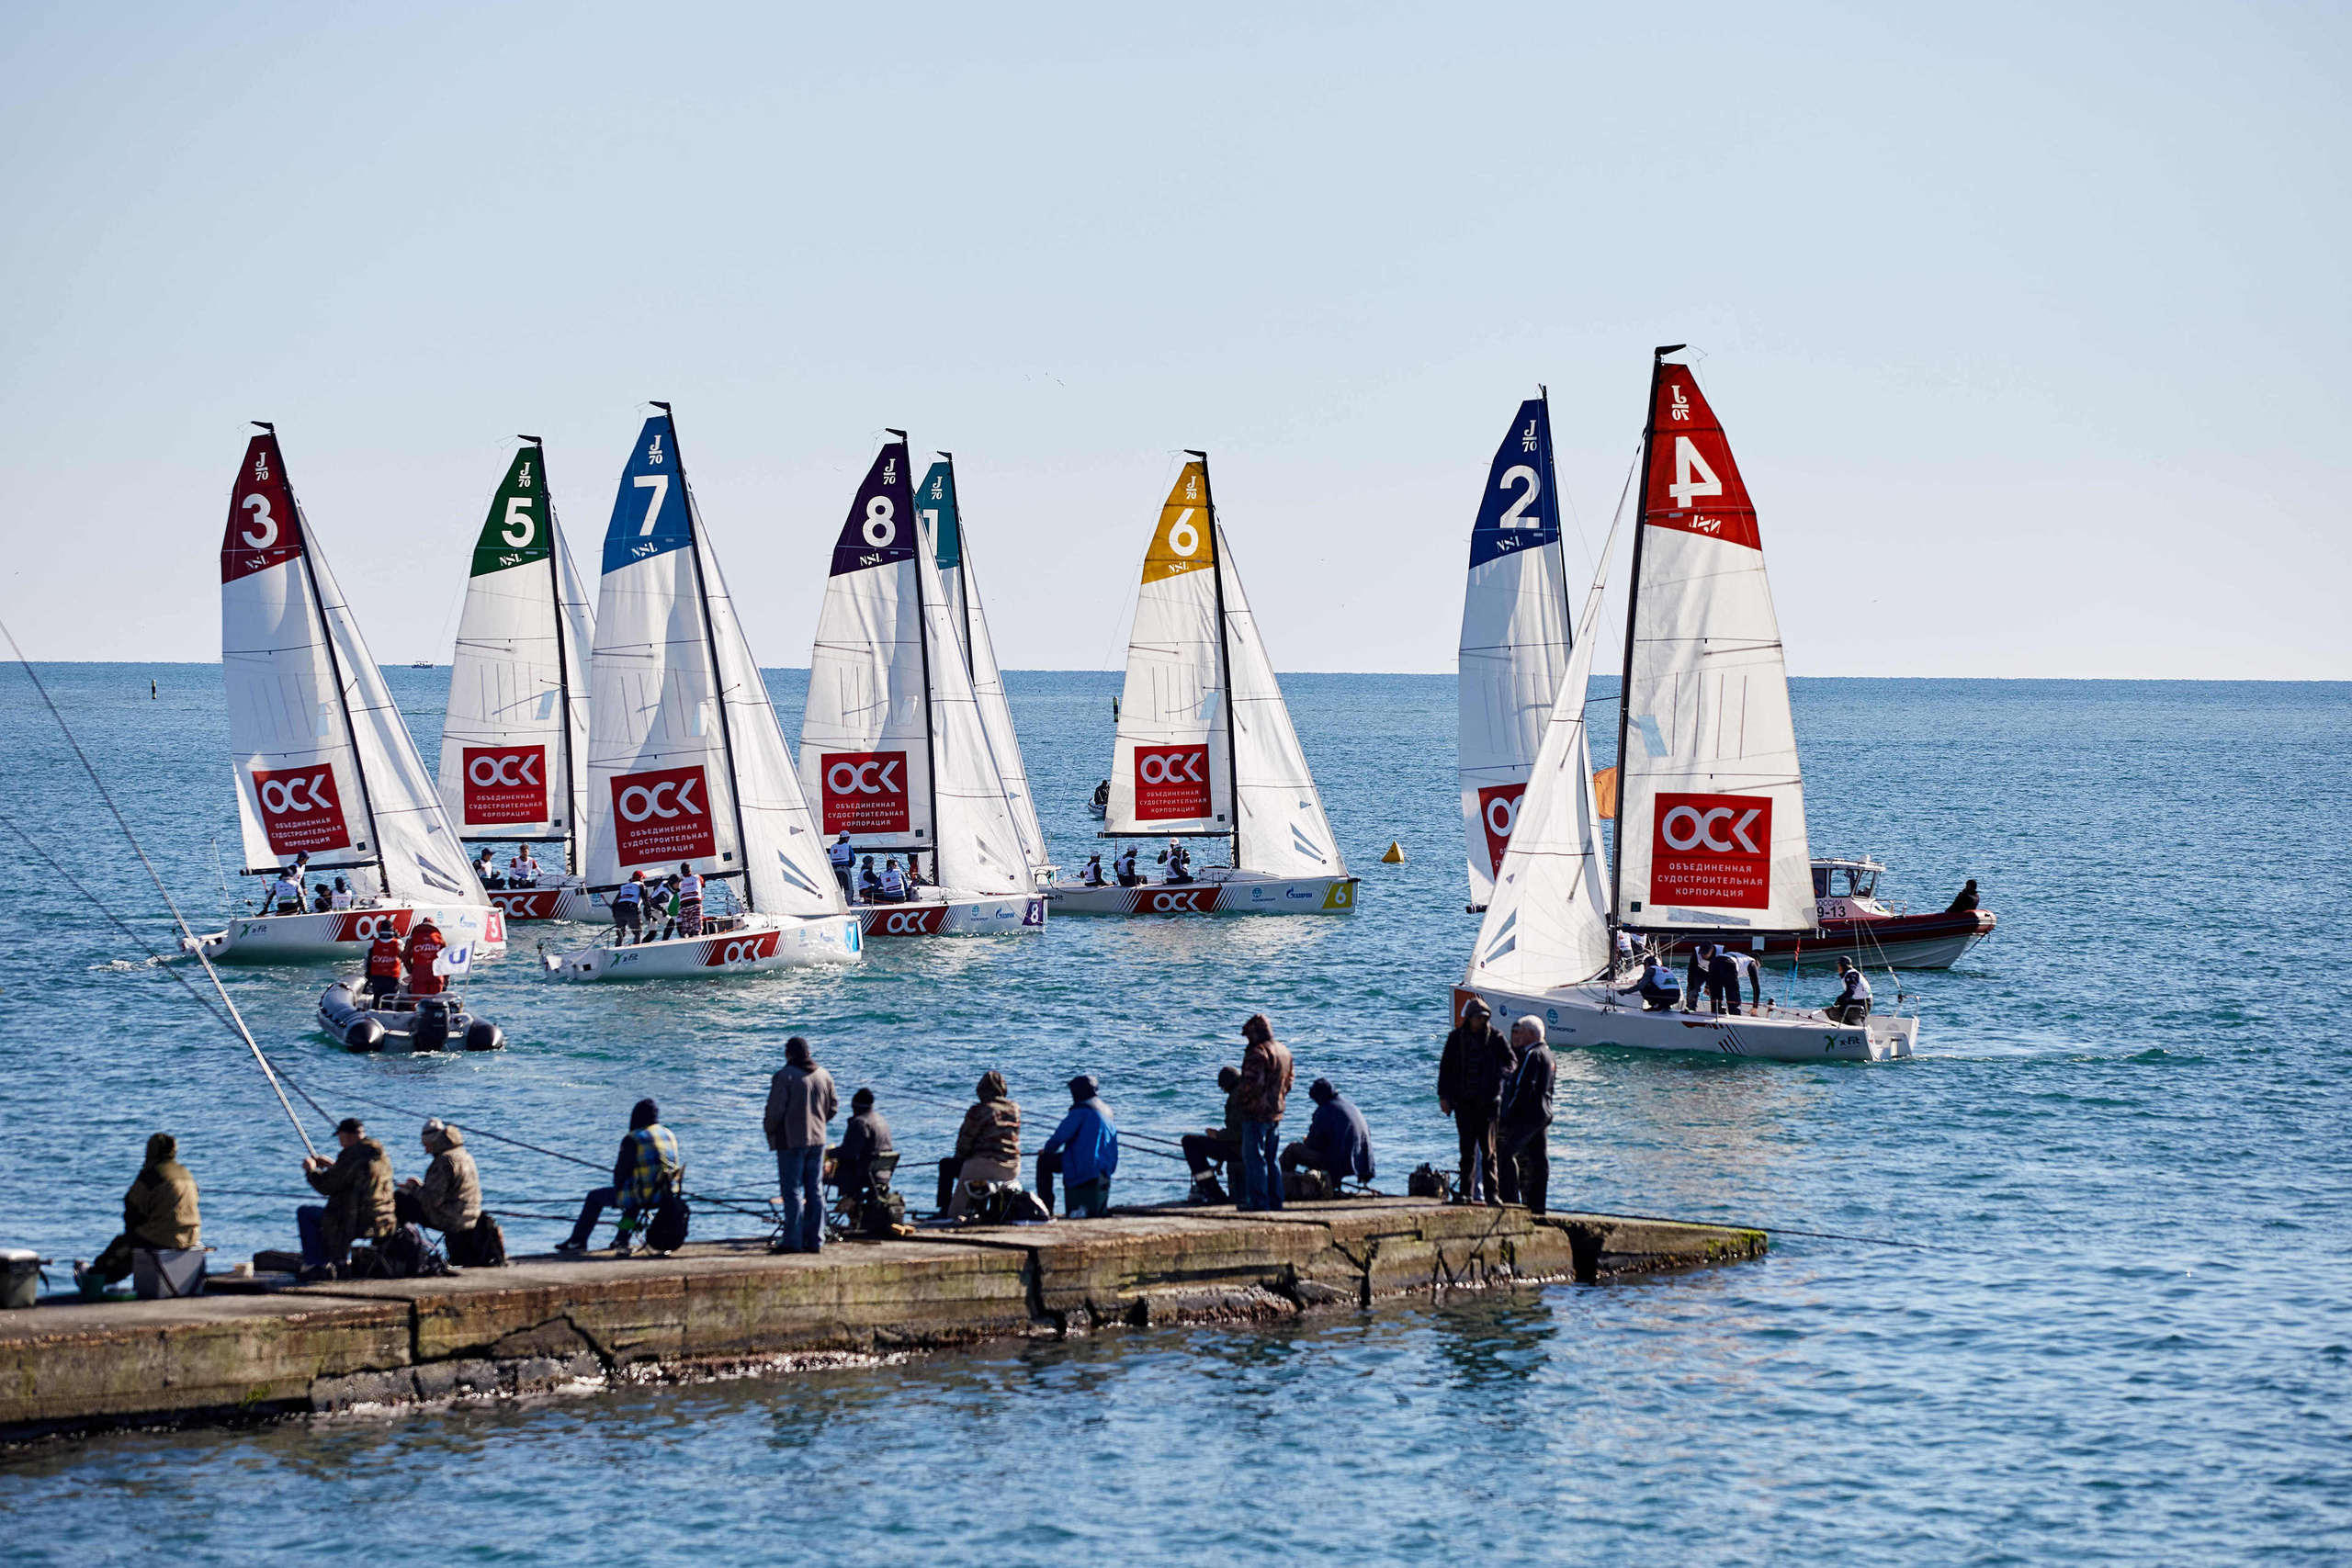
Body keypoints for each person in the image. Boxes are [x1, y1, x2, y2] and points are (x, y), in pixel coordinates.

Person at [78, 1133, 200, 1290]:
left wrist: (132, 1231)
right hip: (191, 1235)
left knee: (122, 1245)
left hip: (165, 1236)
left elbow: (133, 1206)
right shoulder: (185, 1173)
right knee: (137, 1243)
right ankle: (106, 1278)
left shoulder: (152, 1175)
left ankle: (94, 1277)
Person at [556, 1099, 665, 1253]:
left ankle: (577, 1241)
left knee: (595, 1198)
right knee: (633, 1199)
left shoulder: (633, 1138)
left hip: (643, 1196)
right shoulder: (667, 1134)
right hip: (665, 1195)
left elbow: (621, 1173)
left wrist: (620, 1185)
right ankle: (621, 1239)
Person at [763, 1036, 836, 1253]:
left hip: (791, 1141)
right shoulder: (824, 1075)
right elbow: (833, 1107)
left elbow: (774, 1112)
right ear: (808, 1053)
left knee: (792, 1190)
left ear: (788, 1054)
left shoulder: (784, 1076)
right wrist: (819, 1123)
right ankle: (816, 1239)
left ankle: (792, 1241)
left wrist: (769, 1129)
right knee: (815, 1189)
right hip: (818, 1140)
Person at [298, 1117, 395, 1279]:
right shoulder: (380, 1155)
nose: (340, 1142)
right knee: (342, 1213)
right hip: (384, 1218)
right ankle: (342, 1261)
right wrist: (334, 1166)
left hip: (359, 1221)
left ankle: (316, 1264)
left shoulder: (351, 1156)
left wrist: (311, 1170)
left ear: (348, 1136)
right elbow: (357, 1175)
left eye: (340, 1137)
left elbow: (326, 1186)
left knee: (306, 1213)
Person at [1438, 998, 1512, 1204]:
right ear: (1469, 1018)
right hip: (1463, 1103)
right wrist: (1444, 1097)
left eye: (1484, 1017)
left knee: (1489, 1151)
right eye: (1478, 1017)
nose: (1482, 1021)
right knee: (1467, 1151)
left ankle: (1492, 1194)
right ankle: (1466, 1193)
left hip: (1488, 1104)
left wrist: (1498, 1076)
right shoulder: (1456, 1038)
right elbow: (1445, 1069)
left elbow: (1511, 1062)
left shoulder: (1496, 1037)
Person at [940, 1070, 1022, 1220]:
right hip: (1012, 1167)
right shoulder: (1015, 1108)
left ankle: (946, 1210)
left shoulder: (978, 1110)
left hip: (985, 1167)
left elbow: (965, 1142)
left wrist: (960, 1157)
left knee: (946, 1165)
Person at [1036, 1075, 1120, 1218]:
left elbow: (1058, 1138)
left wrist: (1046, 1151)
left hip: (1084, 1165)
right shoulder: (1108, 1111)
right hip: (1105, 1167)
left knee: (1043, 1162)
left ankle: (1046, 1210)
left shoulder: (1081, 1110)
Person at [1235, 1013, 1295, 1212]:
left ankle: (1258, 1202)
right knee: (1272, 1158)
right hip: (1275, 1113)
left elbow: (1250, 1085)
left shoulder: (1258, 1053)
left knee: (1254, 1159)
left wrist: (1242, 1103)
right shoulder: (1284, 1051)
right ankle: (1276, 1201)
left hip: (1256, 1114)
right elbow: (1289, 1083)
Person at [1496, 1018, 1555, 1213]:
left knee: (1506, 1154)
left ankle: (1511, 1201)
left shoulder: (1532, 1054)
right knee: (1539, 1161)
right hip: (1544, 1113)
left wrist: (1511, 1110)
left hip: (1529, 1115)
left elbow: (1523, 1086)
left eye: (1522, 1032)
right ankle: (1538, 1207)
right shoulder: (1549, 1054)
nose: (1519, 1036)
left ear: (1531, 1034)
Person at [1279, 1078, 1374, 1190]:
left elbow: (1314, 1144)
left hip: (1338, 1163)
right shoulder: (1351, 1107)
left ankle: (1277, 1184)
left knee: (1292, 1150)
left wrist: (1307, 1141)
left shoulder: (1324, 1111)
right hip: (1362, 1161)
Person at [395, 1118, 481, 1237]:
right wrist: (421, 1187)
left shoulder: (445, 1161)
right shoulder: (465, 1155)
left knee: (399, 1198)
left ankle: (395, 1244)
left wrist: (413, 1189)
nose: (426, 1151)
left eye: (426, 1145)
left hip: (450, 1220)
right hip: (470, 1217)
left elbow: (432, 1201)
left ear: (434, 1142)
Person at [831, 1088, 895, 1230]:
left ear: (853, 1107)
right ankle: (853, 1212)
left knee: (817, 1176)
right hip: (883, 1173)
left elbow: (850, 1153)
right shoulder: (881, 1120)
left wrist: (829, 1153)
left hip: (865, 1175)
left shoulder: (859, 1123)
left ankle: (844, 1206)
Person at [1180, 1066, 1245, 1203]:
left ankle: (1211, 1190)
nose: (1223, 1091)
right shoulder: (1244, 1093)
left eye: (1223, 1088)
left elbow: (1238, 1134)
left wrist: (1217, 1135)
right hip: (1245, 1149)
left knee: (1189, 1142)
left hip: (1239, 1151)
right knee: (1195, 1143)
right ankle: (1211, 1189)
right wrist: (1220, 1160)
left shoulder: (1236, 1098)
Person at [403, 918, 447, 998]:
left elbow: (406, 956)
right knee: (435, 1000)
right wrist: (446, 977)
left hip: (419, 974)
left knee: (418, 1000)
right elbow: (446, 958)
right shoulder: (440, 938)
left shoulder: (413, 938)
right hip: (436, 974)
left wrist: (410, 970)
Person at [364, 925, 404, 1006]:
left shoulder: (373, 943)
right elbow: (404, 956)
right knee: (389, 1001)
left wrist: (368, 974)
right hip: (392, 976)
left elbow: (367, 960)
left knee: (376, 999)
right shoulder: (398, 942)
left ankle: (374, 1012)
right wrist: (398, 937)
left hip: (377, 976)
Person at [1826, 959, 1872, 1024]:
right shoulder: (1852, 973)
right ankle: (1850, 1025)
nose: (1838, 969)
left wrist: (1839, 999)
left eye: (1839, 966)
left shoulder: (1851, 975)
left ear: (1844, 966)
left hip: (1861, 1003)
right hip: (1859, 1001)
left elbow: (1851, 991)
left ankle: (1852, 1027)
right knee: (1831, 1010)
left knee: (1832, 1012)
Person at [1724, 947, 1763, 1015]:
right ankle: (1734, 1013)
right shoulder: (1752, 963)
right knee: (1734, 996)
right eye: (1757, 967)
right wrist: (1755, 1007)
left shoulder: (1742, 962)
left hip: (1721, 961)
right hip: (1729, 964)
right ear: (1756, 962)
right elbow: (1756, 987)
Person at [611, 870, 645, 943]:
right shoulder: (641, 885)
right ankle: (637, 948)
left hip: (618, 910)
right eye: (643, 878)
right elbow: (647, 900)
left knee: (620, 934)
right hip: (631, 909)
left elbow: (614, 903)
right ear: (641, 878)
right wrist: (649, 914)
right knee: (637, 932)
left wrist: (615, 915)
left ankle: (617, 949)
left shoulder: (624, 886)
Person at [675, 863, 704, 937]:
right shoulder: (697, 877)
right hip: (696, 901)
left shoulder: (679, 880)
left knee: (686, 923)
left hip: (684, 903)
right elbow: (702, 884)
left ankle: (686, 934)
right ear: (690, 869)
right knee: (697, 921)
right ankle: (697, 933)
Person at [649, 876, 679, 942]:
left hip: (649, 910)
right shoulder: (665, 895)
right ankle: (665, 941)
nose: (679, 884)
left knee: (652, 933)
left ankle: (643, 943)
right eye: (677, 883)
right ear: (672, 883)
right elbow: (653, 903)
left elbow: (657, 887)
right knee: (671, 922)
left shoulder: (664, 882)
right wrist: (663, 911)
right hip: (654, 911)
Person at [829, 832, 856, 900]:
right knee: (848, 888)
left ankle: (837, 903)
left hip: (834, 869)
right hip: (844, 868)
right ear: (846, 838)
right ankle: (849, 903)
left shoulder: (833, 846)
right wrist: (849, 866)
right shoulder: (847, 846)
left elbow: (831, 857)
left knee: (837, 888)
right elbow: (853, 859)